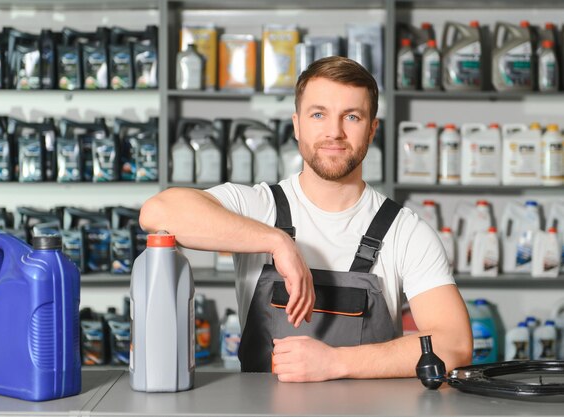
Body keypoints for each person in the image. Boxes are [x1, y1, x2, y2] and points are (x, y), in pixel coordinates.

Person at [140, 56, 473, 382]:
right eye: (318, 114)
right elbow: (158, 212)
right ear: (297, 125)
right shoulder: (259, 206)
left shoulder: (405, 230)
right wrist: (276, 241)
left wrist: (335, 362)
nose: (334, 132)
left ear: (372, 130)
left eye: (352, 117)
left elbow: (454, 344)